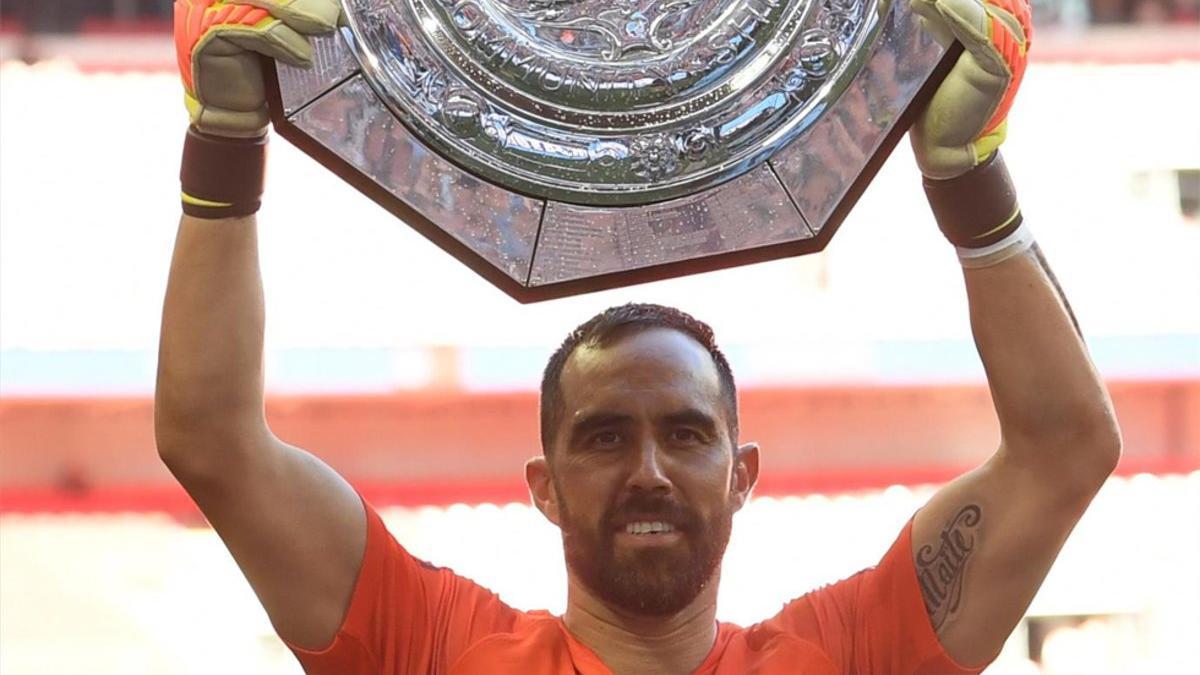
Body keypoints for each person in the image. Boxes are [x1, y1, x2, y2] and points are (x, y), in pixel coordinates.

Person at [158, 0, 1121, 672]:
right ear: (543, 485)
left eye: (687, 433)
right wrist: (225, 145)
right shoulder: (432, 646)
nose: (650, 468)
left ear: (744, 473)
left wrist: (968, 178)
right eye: (604, 435)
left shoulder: (848, 653)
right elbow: (212, 442)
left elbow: (1066, 452)